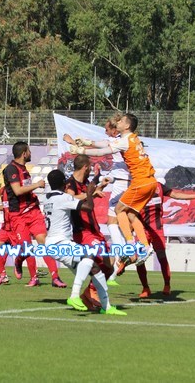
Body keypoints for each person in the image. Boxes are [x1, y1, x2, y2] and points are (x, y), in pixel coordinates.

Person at [70, 113, 157, 269]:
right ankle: (144, 245)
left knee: (118, 210)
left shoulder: (125, 141)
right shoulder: (131, 139)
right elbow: (105, 144)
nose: (118, 122)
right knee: (130, 214)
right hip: (150, 182)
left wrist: (81, 150)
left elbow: (102, 152)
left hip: (140, 182)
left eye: (121, 121)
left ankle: (131, 247)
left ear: (127, 126)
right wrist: (87, 142)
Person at [44, 169, 126, 315]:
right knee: (89, 255)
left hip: (53, 243)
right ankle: (74, 296)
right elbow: (88, 207)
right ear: (64, 184)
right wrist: (89, 192)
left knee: (95, 270)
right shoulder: (63, 198)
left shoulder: (48, 198)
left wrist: (94, 185)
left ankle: (106, 307)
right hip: (60, 243)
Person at [64, 113, 129, 286]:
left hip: (123, 183)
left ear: (115, 128)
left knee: (112, 221)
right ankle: (121, 259)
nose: (106, 132)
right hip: (125, 181)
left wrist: (78, 147)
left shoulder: (120, 141)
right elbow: (99, 144)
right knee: (123, 220)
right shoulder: (124, 141)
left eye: (107, 129)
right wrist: (82, 143)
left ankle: (124, 252)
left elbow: (101, 148)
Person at [2, 141, 66, 288]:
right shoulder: (11, 169)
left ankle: (55, 277)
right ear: (24, 153)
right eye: (29, 151)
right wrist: (37, 185)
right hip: (18, 215)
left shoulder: (23, 169)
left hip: (33, 211)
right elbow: (17, 191)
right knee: (27, 248)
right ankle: (19, 261)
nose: (31, 153)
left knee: (44, 242)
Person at [134, 182, 195, 298]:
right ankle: (145, 288)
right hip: (142, 230)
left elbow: (175, 194)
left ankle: (167, 285)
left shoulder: (158, 186)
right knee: (139, 259)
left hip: (157, 229)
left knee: (162, 257)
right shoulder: (137, 187)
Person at [65, 155, 113, 310]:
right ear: (85, 167)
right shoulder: (70, 184)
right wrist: (91, 193)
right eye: (90, 167)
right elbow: (70, 199)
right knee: (103, 261)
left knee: (109, 266)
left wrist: (100, 187)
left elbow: (89, 195)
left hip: (95, 230)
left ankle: (88, 292)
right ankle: (89, 293)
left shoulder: (85, 183)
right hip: (83, 231)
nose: (91, 169)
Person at [0, 186, 24, 285]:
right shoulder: (2, 190)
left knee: (24, 251)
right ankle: (2, 275)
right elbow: (5, 207)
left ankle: (32, 273)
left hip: (16, 227)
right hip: (5, 227)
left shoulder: (19, 190)